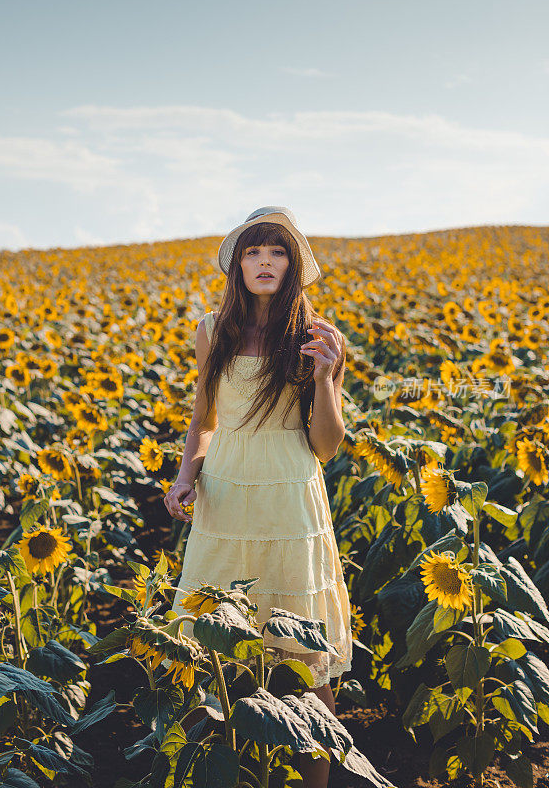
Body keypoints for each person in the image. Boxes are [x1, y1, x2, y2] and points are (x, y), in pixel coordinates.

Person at [163, 206, 353, 787]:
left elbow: (325, 445)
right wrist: (186, 473)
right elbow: (205, 419)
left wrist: (324, 379)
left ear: (293, 265)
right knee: (211, 638)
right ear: (238, 265)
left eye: (277, 252)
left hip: (291, 493)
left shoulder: (317, 336)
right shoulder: (212, 328)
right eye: (253, 251)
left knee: (301, 641)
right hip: (227, 495)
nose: (264, 262)